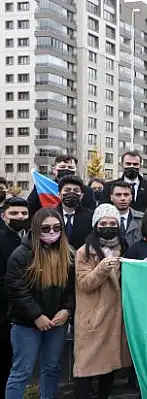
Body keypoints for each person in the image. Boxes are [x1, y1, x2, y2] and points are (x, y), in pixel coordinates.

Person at [5, 208, 75, 399]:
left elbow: (72, 289)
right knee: (22, 371)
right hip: (26, 324)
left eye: (56, 228)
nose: (52, 232)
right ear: (36, 229)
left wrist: (67, 310)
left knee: (52, 368)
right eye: (45, 228)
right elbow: (17, 290)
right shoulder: (21, 254)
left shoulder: (68, 254)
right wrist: (36, 315)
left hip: (57, 323)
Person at [72, 204, 132, 399]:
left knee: (109, 365)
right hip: (93, 317)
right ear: (95, 225)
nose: (108, 226)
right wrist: (102, 268)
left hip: (115, 318)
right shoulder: (85, 252)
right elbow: (84, 283)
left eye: (112, 223)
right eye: (103, 223)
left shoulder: (124, 248)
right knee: (85, 367)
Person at [0, 197, 29, 393]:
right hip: (5, 309)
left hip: (27, 310)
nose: (20, 217)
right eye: (14, 213)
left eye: (24, 213)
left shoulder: (32, 238)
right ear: (3, 216)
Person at [27, 155, 95, 216]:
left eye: (70, 167)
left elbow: (91, 213)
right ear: (54, 170)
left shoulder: (87, 191)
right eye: (62, 167)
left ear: (75, 170)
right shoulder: (42, 187)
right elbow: (30, 209)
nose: (66, 169)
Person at [57, 176, 94, 251]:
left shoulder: (91, 216)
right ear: (59, 194)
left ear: (81, 196)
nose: (71, 193)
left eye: (76, 191)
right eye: (67, 190)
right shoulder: (50, 215)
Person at [108, 181, 143, 246]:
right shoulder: (103, 219)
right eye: (118, 195)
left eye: (126, 195)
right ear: (111, 197)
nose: (122, 198)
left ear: (131, 197)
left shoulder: (142, 219)